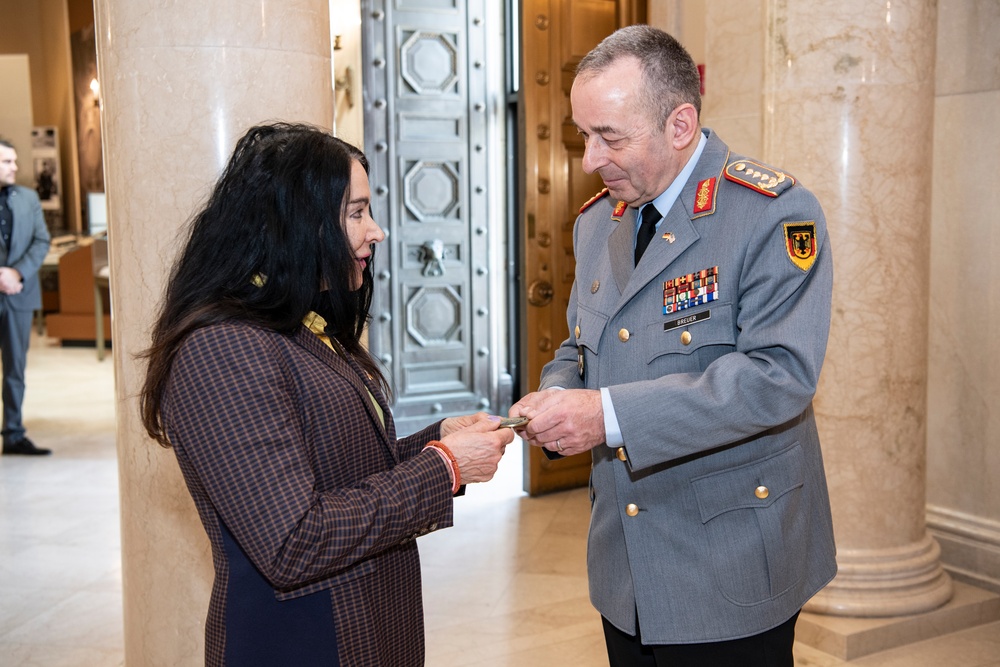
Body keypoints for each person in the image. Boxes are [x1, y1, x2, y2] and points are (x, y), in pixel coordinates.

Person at [509, 26, 836, 666]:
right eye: (583, 134)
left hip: (732, 565)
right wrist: (556, 397)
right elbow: (579, 350)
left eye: (610, 137)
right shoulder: (597, 220)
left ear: (680, 124)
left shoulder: (773, 213)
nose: (587, 160)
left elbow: (779, 377)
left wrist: (604, 416)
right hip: (624, 563)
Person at [139, 123, 514, 667]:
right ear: (296, 221)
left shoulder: (295, 323)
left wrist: (439, 441)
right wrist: (444, 469)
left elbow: (335, 473)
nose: (376, 231)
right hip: (304, 639)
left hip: (360, 625)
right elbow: (294, 539)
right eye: (356, 212)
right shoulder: (222, 349)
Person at [0, 139, 52, 456]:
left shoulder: (28, 198)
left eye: (14, 161)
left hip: (19, 294)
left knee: (15, 369)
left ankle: (14, 434)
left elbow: (40, 241)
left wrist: (15, 273)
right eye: (7, 162)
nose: (15, 167)